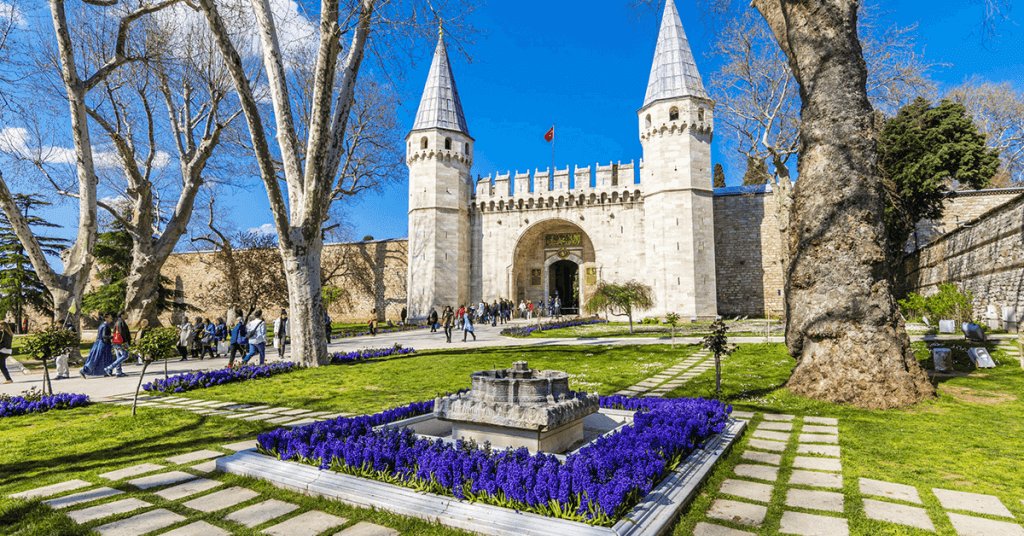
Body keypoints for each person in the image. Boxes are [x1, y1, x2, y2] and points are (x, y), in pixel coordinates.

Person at [81, 313, 115, 377]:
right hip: (103, 344)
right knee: (98, 358)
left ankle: (105, 372)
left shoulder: (102, 325)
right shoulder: (105, 326)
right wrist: (113, 337)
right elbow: (104, 336)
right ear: (106, 318)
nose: (112, 318)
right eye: (110, 317)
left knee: (99, 358)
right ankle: (84, 371)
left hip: (99, 343)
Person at [104, 311, 132, 377]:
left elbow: (114, 332)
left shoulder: (117, 322)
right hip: (120, 342)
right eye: (126, 314)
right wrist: (124, 342)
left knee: (119, 357)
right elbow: (121, 333)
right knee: (125, 355)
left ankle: (118, 372)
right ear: (122, 315)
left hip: (116, 342)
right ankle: (110, 367)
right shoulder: (121, 322)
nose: (127, 315)